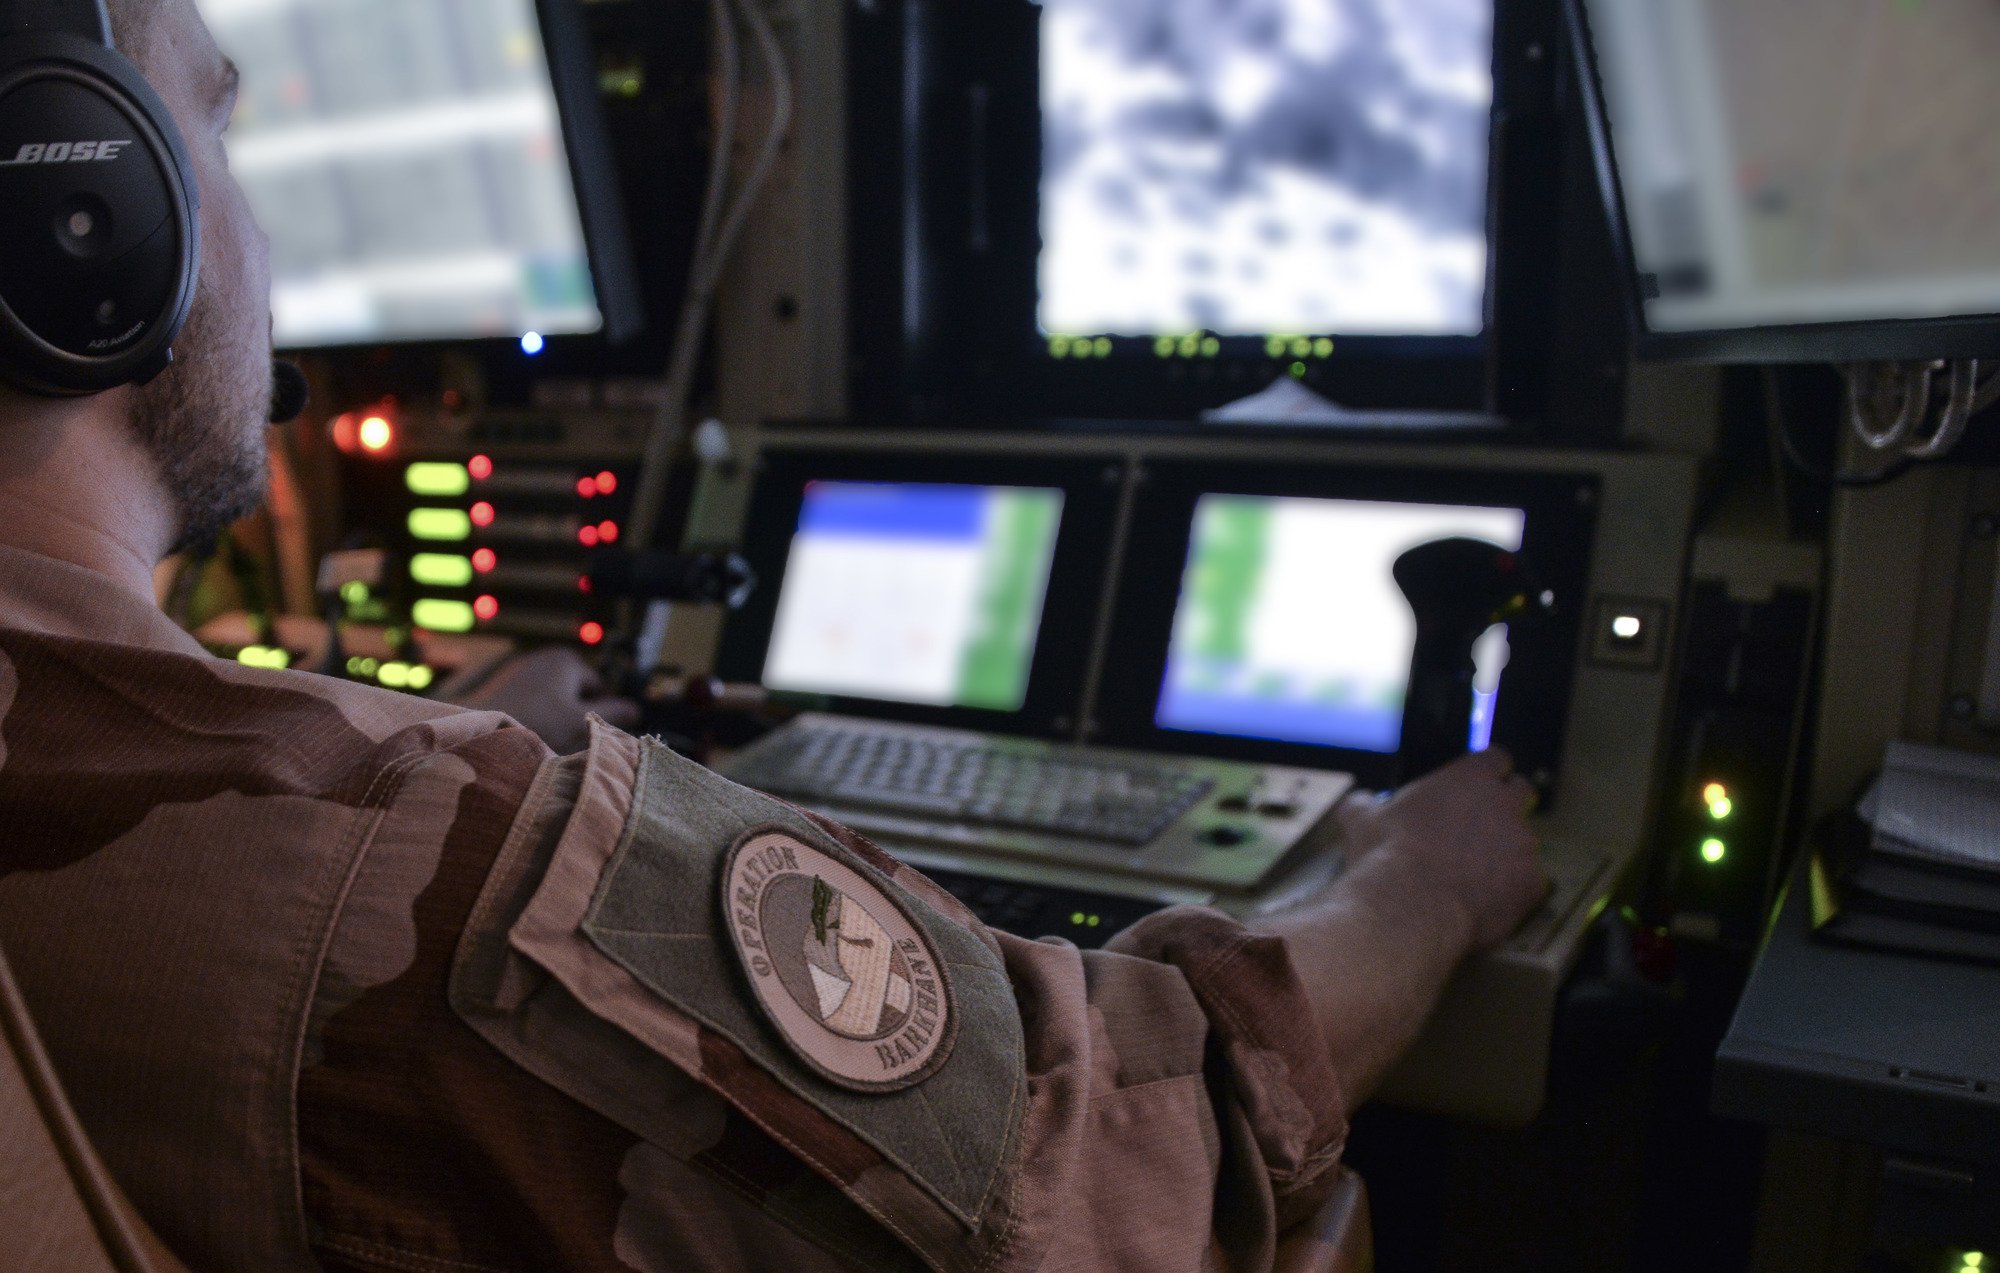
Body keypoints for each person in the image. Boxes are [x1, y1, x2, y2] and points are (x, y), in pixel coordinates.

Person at [0, 2, 1549, 1271]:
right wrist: (1427, 876)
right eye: (220, 126)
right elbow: (1094, 1150)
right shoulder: (407, 854)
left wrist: (484, 723)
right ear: (88, 218)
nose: (263, 238)